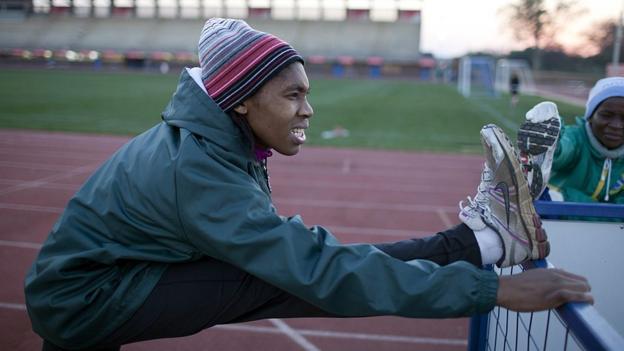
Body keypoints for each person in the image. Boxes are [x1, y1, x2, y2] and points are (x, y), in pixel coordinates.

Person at [25, 18, 592, 351]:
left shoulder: (216, 135)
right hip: (85, 300)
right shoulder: (197, 169)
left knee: (297, 271)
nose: (310, 110)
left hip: (115, 279)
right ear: (241, 99)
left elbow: (314, 262)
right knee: (295, 278)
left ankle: (483, 240)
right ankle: (488, 241)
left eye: (307, 92)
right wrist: (489, 290)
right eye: (293, 95)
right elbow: (320, 270)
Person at [518, 77, 624, 204]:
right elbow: (564, 149)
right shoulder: (576, 138)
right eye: (606, 115)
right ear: (590, 116)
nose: (617, 125)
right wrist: (552, 143)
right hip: (552, 220)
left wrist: (563, 198)